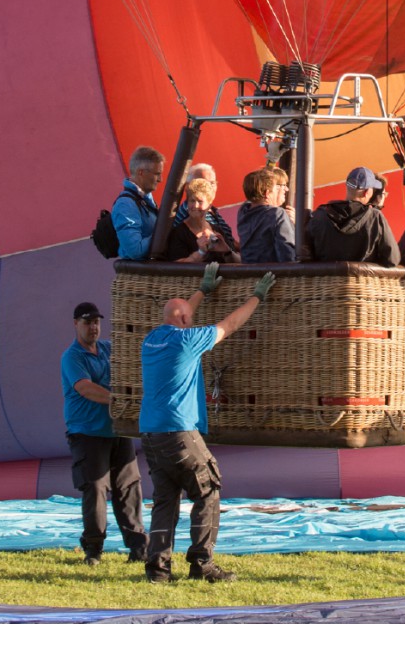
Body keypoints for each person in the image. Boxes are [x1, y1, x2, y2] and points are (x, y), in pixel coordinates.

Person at [139, 262, 277, 583]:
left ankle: (157, 570)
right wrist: (256, 297)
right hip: (180, 431)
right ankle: (202, 564)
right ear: (186, 321)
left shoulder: (152, 340)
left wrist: (202, 291)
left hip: (150, 433)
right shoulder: (188, 342)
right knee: (208, 489)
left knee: (165, 500)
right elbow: (229, 325)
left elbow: (181, 315)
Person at [61, 302, 148, 566]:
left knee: (129, 487)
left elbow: (132, 365)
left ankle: (138, 547)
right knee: (96, 488)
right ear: (76, 324)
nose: (93, 327)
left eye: (97, 322)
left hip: (118, 430)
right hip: (87, 432)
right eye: (87, 322)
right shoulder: (72, 357)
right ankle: (93, 550)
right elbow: (85, 388)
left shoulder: (110, 350)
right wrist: (117, 399)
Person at [305, 166, 400, 266]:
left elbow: (305, 255)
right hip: (363, 281)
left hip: (325, 281)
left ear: (347, 186)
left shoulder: (319, 215)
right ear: (367, 192)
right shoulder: (375, 217)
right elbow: (393, 259)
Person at [166, 177, 241, 263]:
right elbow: (176, 268)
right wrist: (200, 253)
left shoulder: (217, 229)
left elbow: (237, 262)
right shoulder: (178, 233)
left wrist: (227, 251)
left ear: (209, 206)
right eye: (192, 201)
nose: (195, 206)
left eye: (200, 201)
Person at [112, 145, 163, 260]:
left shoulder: (143, 199)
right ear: (141, 172)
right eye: (157, 174)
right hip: (141, 275)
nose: (160, 179)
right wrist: (162, 233)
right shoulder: (126, 205)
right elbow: (135, 250)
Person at [237, 166, 296, 263]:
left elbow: (251, 200)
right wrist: (295, 225)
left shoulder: (243, 211)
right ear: (267, 193)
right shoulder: (277, 214)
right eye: (281, 185)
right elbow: (288, 253)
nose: (286, 189)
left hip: (249, 273)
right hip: (273, 275)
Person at [172, 162, 233, 239]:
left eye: (212, 183)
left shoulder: (210, 209)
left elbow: (229, 240)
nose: (209, 187)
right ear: (188, 187)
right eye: (203, 183)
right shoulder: (193, 212)